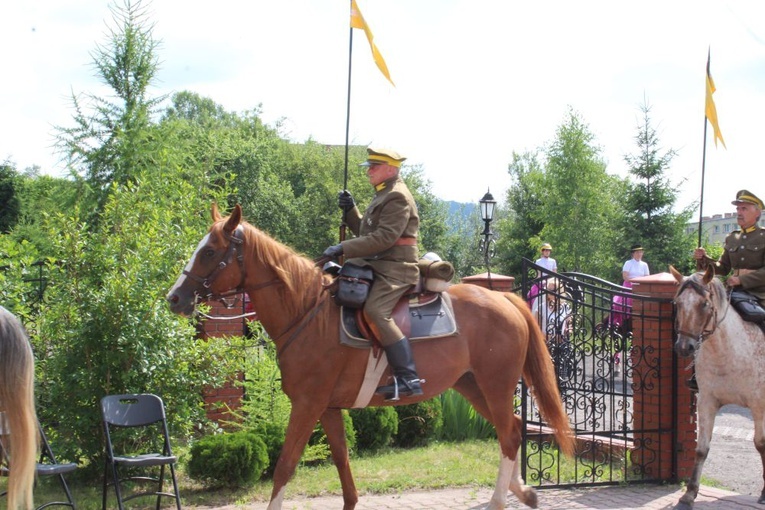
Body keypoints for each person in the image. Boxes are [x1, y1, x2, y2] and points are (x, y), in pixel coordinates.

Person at [322, 147, 422, 400]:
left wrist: (342, 247)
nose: (369, 171)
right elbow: (367, 234)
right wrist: (350, 210)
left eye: (373, 166)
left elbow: (384, 239)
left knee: (375, 311)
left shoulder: (397, 196)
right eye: (369, 166)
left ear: (390, 168)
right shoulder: (384, 194)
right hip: (378, 264)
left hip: (395, 269)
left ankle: (408, 378)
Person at [689, 189, 765, 390]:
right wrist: (704, 260)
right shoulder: (733, 238)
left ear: (757, 213)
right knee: (708, 318)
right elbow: (722, 268)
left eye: (744, 208)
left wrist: (742, 279)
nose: (739, 212)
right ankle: (699, 371)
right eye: (738, 208)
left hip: (759, 293)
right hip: (735, 293)